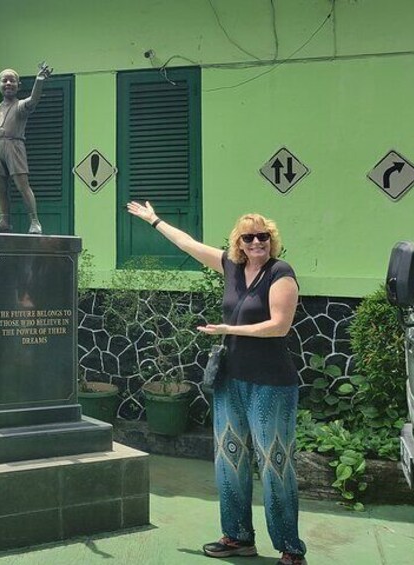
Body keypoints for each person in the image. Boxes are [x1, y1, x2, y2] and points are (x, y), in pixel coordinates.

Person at [126, 201, 307, 565]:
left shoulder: (280, 273)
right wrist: (155, 220)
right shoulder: (231, 267)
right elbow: (187, 244)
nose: (257, 242)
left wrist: (228, 330)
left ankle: (290, 548)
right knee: (230, 459)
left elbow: (279, 325)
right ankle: (238, 537)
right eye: (249, 237)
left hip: (270, 384)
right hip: (230, 380)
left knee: (274, 463)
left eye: (264, 236)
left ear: (272, 240)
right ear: (238, 243)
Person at [0, 63, 52, 235]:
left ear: (18, 86)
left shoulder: (20, 106)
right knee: (0, 188)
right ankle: (4, 221)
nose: (8, 83)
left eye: (12, 81)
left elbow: (34, 99)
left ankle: (34, 221)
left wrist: (39, 81)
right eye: (4, 81)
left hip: (15, 146)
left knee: (22, 185)